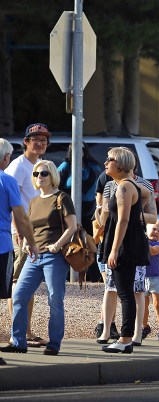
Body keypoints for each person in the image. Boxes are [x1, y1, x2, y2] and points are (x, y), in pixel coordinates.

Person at [0, 160, 75, 356]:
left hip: (54, 257)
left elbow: (72, 227)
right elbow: (29, 226)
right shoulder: (33, 201)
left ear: (52, 176)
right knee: (18, 296)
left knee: (55, 300)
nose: (38, 177)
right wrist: (25, 242)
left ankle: (54, 343)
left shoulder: (61, 198)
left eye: (43, 174)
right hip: (33, 257)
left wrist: (57, 245)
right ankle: (18, 341)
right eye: (35, 174)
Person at [95, 171, 156, 344]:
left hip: (132, 243)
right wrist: (103, 210)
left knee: (136, 291)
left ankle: (135, 334)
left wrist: (130, 212)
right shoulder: (109, 185)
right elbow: (102, 220)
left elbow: (153, 216)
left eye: (111, 160)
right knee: (111, 288)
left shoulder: (142, 185)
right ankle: (106, 330)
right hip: (111, 240)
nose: (106, 163)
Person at [100, 147, 149, 354]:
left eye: (109, 160)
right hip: (129, 244)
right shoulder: (130, 185)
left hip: (124, 246)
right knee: (126, 292)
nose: (105, 163)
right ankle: (125, 338)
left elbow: (123, 220)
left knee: (125, 293)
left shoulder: (123, 188)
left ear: (119, 164)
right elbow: (146, 194)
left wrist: (113, 250)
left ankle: (125, 339)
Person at [5, 123, 49, 346]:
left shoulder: (41, 165)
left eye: (43, 139)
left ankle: (26, 331)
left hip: (37, 233)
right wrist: (18, 232)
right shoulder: (18, 166)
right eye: (35, 139)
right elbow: (11, 201)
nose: (40, 143)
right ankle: (19, 332)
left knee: (30, 283)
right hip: (21, 233)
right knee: (19, 282)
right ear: (25, 142)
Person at [0, 139, 38, 326]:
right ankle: (18, 333)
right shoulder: (7, 180)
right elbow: (20, 215)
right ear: (6, 157)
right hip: (4, 243)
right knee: (12, 285)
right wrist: (30, 240)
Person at [57, 143, 103, 234]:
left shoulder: (93, 166)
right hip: (70, 209)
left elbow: (100, 185)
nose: (78, 151)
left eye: (81, 149)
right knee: (72, 238)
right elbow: (55, 184)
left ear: (84, 150)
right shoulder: (66, 166)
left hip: (90, 210)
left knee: (89, 239)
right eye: (75, 149)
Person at [142, 220, 159, 342]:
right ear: (147, 231)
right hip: (143, 277)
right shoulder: (144, 241)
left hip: (155, 277)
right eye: (153, 229)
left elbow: (152, 251)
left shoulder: (158, 245)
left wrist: (140, 240)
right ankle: (144, 326)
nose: (156, 232)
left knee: (157, 304)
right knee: (143, 305)